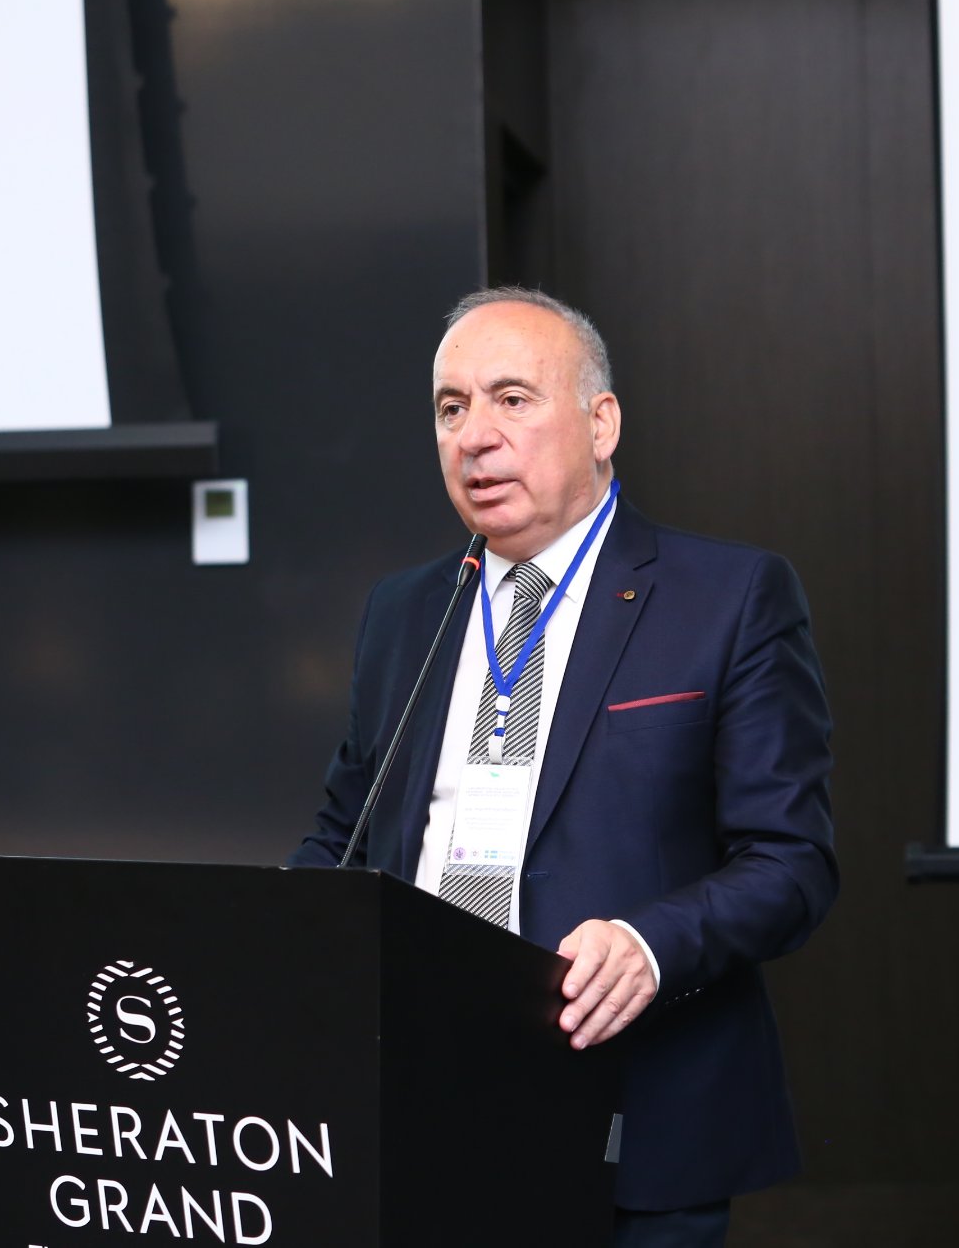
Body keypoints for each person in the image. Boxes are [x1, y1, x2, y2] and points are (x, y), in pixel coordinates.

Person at [288, 286, 836, 1247]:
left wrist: (648, 943)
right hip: (419, 1097)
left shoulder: (729, 597)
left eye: (512, 398)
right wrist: (278, 943)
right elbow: (345, 832)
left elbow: (792, 863)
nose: (475, 436)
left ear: (601, 422)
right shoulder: (403, 612)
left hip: (632, 1107)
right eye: (451, 408)